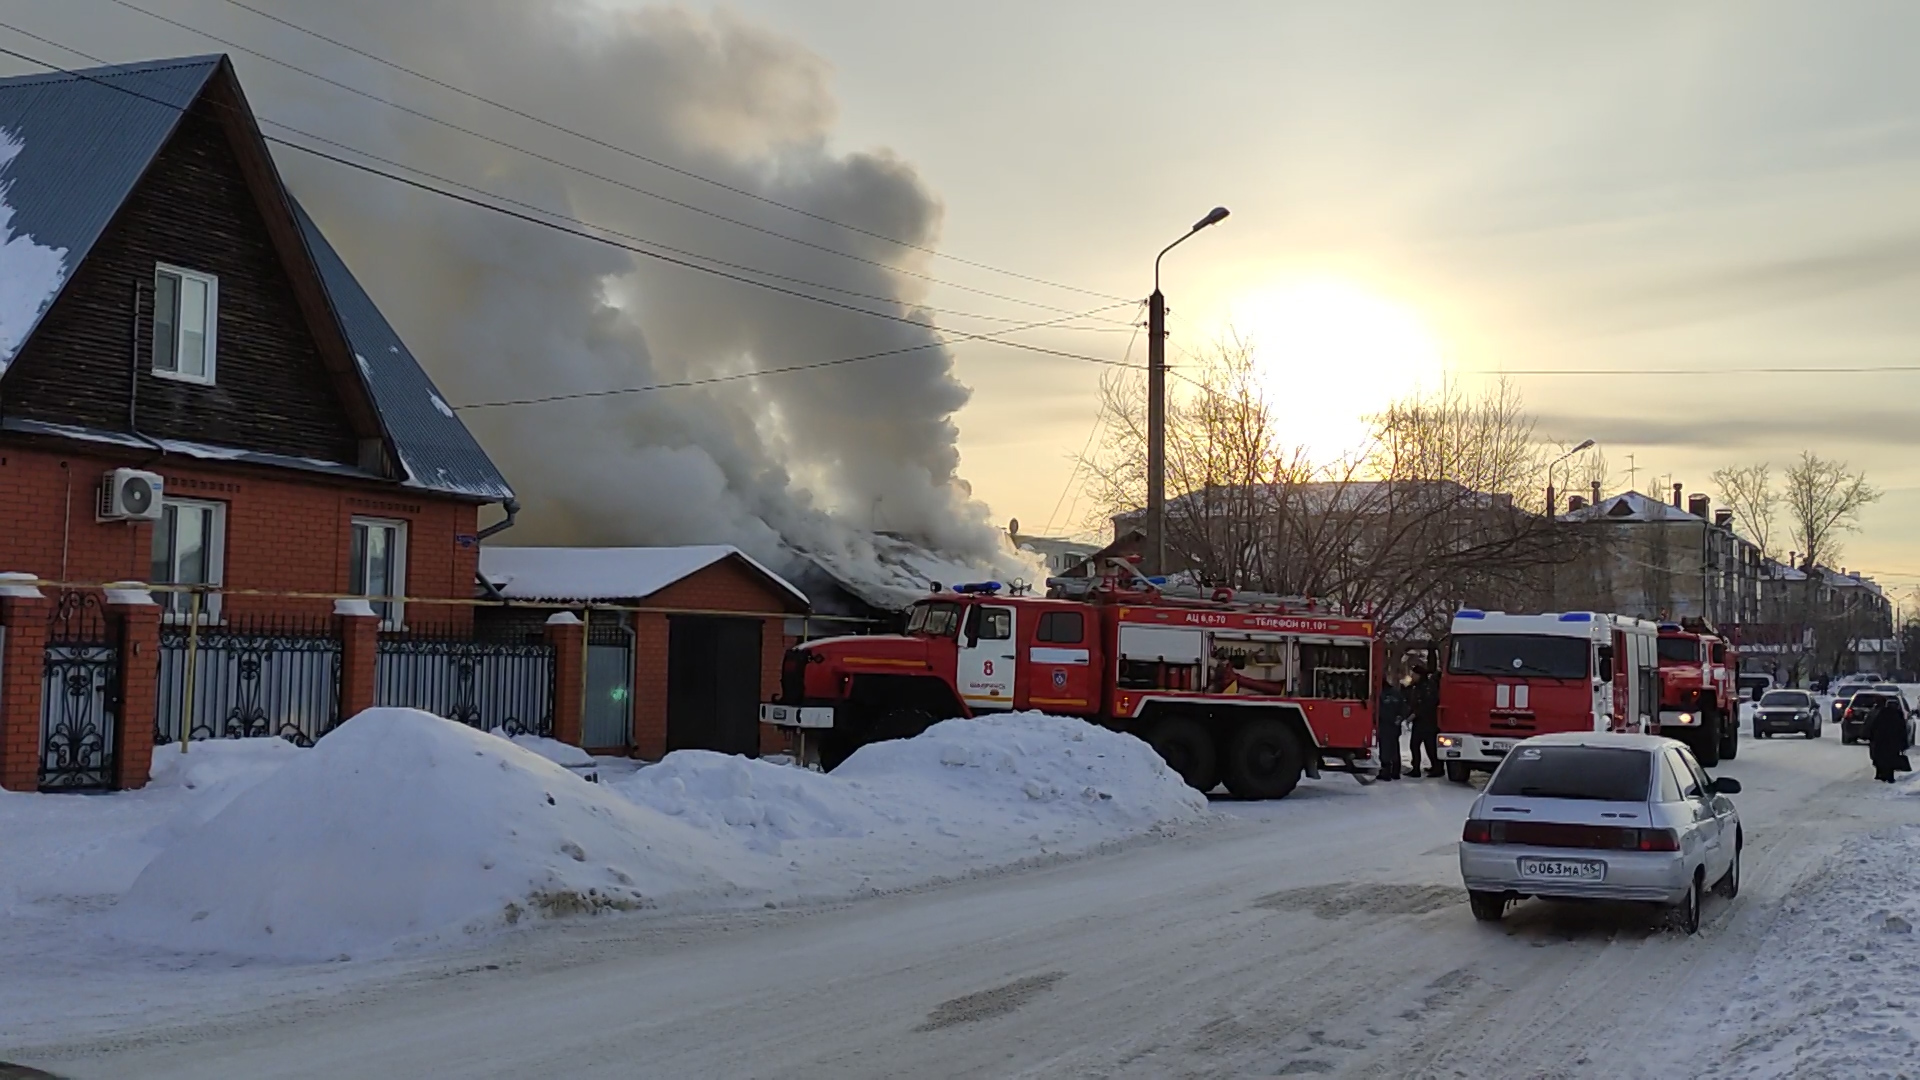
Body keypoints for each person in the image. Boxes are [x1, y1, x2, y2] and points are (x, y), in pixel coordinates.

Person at [1406, 663, 1442, 778]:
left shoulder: (1427, 687)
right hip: (1420, 721)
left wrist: (1415, 714)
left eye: (1414, 674)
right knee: (1416, 745)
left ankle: (1436, 768)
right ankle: (1420, 767)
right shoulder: (1418, 686)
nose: (1412, 676)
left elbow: (1428, 704)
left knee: (1428, 746)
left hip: (1427, 722)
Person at [1867, 695, 1909, 784]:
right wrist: (1903, 742)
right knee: (1890, 758)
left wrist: (1870, 737)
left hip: (1880, 740)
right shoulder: (1896, 714)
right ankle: (1889, 775)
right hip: (1892, 741)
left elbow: (1871, 726)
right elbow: (1902, 729)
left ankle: (1881, 774)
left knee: (1880, 758)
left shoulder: (1877, 713)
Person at [1375, 674, 1406, 781]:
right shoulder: (1396, 693)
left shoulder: (1380, 695)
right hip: (1395, 725)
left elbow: (1378, 711)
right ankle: (1396, 772)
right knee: (1394, 747)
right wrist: (1400, 718)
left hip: (1385, 724)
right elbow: (1404, 707)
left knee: (1385, 749)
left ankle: (1386, 772)